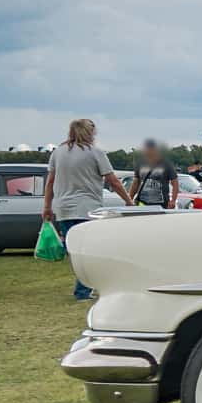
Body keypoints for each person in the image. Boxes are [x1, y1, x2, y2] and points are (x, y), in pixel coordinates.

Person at [41, 118, 129, 300]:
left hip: (64, 208)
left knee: (76, 249)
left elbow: (50, 182)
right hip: (88, 208)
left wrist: (47, 206)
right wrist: (129, 201)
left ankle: (85, 286)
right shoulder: (95, 153)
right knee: (90, 250)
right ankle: (83, 290)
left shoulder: (58, 153)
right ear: (89, 133)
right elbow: (113, 181)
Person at [131, 140, 179, 210]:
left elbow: (175, 183)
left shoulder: (166, 164)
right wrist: (130, 199)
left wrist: (173, 201)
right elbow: (136, 182)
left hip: (161, 204)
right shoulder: (140, 164)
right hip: (142, 203)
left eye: (151, 149)